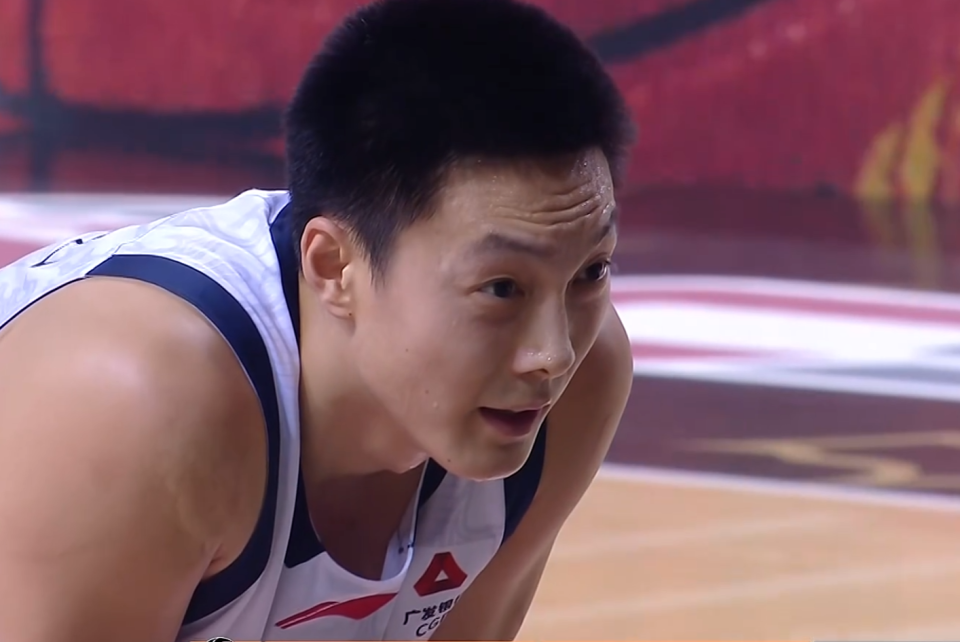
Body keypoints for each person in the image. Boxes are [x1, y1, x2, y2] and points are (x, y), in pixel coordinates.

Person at [0, 0, 635, 639]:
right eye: (501, 288)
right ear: (334, 268)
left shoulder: (584, 381)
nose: (553, 355)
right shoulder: (138, 405)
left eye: (591, 271)